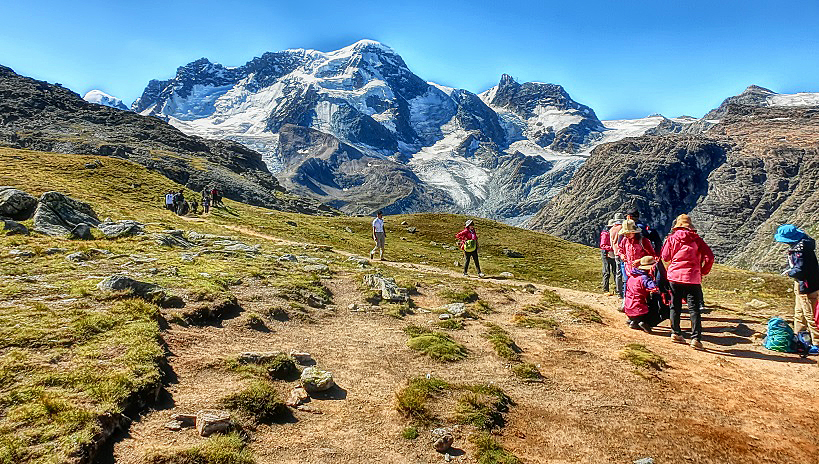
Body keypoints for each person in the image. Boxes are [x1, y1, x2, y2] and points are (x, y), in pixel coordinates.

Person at [661, 214, 714, 350]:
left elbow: (665, 257)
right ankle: (696, 338)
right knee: (694, 308)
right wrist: (703, 271)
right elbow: (709, 258)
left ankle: (675, 333)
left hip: (674, 277)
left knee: (675, 305)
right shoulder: (697, 240)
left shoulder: (671, 239)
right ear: (690, 227)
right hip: (692, 278)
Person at [774, 224, 819, 355]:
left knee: (810, 315)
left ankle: (816, 343)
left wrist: (791, 273)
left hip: (807, 286)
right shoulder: (805, 245)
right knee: (799, 312)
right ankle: (799, 336)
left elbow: (801, 269)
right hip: (804, 283)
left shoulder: (799, 251)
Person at [624, 256, 660, 333]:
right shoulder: (644, 278)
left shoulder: (632, 276)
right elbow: (654, 287)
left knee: (635, 309)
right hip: (639, 308)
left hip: (628, 307)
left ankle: (634, 321)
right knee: (654, 306)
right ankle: (644, 322)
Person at [609, 213, 626, 298]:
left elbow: (611, 242)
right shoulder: (622, 228)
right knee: (625, 271)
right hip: (623, 253)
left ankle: (619, 292)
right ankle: (625, 290)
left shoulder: (612, 229)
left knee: (618, 272)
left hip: (616, 252)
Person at [600, 219, 617, 295]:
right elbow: (603, 245)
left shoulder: (609, 233)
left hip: (612, 252)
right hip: (606, 253)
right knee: (607, 271)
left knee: (615, 271)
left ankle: (617, 289)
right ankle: (605, 289)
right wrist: (612, 247)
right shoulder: (605, 234)